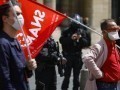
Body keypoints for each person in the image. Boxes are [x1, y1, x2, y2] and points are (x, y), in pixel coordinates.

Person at [0, 1, 37, 90]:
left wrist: (28, 67)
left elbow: (20, 73)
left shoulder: (15, 40)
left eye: (21, 14)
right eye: (16, 14)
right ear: (5, 19)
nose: (20, 17)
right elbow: (4, 80)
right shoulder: (2, 44)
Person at [82, 19, 120, 90]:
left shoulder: (114, 45)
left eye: (117, 28)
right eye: (113, 29)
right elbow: (87, 58)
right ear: (104, 32)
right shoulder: (99, 46)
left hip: (116, 84)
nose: (115, 31)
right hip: (105, 86)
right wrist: (98, 74)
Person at [59, 14, 89, 90]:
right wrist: (70, 38)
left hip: (77, 57)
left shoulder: (81, 32)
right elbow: (62, 41)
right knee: (67, 76)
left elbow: (86, 43)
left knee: (76, 77)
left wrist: (80, 38)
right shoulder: (66, 31)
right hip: (68, 56)